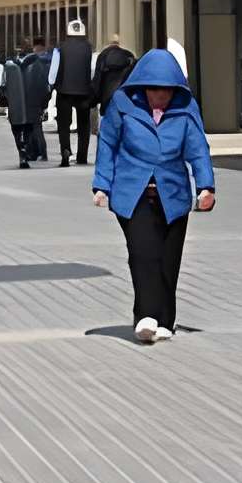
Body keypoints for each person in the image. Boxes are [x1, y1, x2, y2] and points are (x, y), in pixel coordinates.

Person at [93, 48, 215, 344]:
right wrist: (101, 185)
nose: (162, 96)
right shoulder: (122, 104)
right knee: (143, 254)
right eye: (156, 89)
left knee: (168, 261)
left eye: (167, 90)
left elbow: (198, 148)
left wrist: (206, 186)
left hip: (172, 193)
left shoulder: (186, 106)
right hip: (133, 193)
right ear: (142, 86)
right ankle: (146, 316)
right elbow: (107, 144)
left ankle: (164, 320)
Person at [50, 19, 95, 167]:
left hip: (64, 91)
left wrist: (52, 85)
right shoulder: (89, 48)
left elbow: (53, 72)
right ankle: (82, 155)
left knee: (64, 124)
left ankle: (65, 151)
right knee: (84, 125)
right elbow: (92, 70)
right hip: (84, 91)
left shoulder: (60, 48)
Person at [0, 50, 34, 167]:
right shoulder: (33, 65)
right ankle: (25, 151)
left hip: (16, 106)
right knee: (28, 130)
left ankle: (22, 152)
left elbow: (1, 86)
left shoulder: (7, 69)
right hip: (30, 106)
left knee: (17, 130)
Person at [19, 41, 52, 159]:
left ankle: (37, 152)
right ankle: (37, 152)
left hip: (29, 98)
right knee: (35, 126)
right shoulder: (44, 63)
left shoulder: (30, 64)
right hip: (38, 98)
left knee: (32, 127)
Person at [91, 35, 135, 115]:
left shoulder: (103, 55)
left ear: (108, 43)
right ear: (119, 43)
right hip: (124, 96)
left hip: (106, 97)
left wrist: (94, 99)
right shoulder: (129, 55)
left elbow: (98, 78)